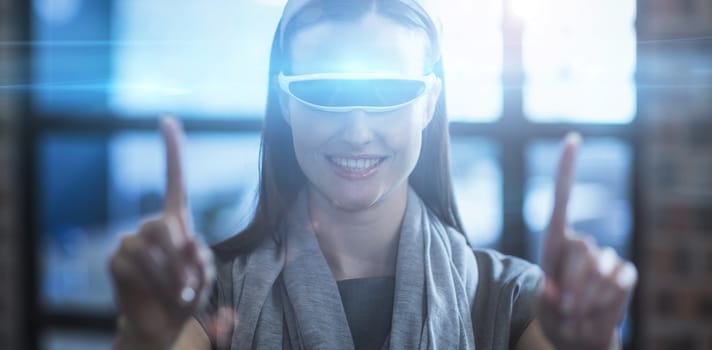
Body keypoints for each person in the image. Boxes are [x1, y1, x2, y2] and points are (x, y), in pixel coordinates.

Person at [109, 0, 638, 349]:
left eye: (388, 92)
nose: (357, 132)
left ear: (429, 102)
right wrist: (146, 337)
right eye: (323, 92)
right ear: (285, 102)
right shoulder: (207, 300)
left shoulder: (512, 299)